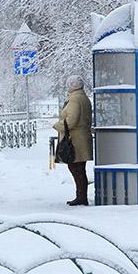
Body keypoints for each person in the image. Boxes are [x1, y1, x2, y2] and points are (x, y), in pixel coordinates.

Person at [54, 75, 93, 206]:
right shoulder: (83, 98)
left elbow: (72, 120)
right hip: (82, 138)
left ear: (73, 86)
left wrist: (57, 125)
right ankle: (81, 196)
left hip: (75, 139)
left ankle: (81, 197)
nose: (67, 87)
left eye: (69, 84)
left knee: (76, 168)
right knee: (79, 168)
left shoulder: (75, 100)